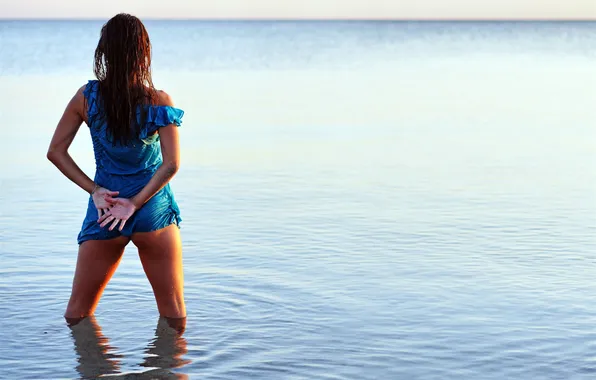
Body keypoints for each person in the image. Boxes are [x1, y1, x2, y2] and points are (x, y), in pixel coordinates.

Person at [46, 13, 186, 327]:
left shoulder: (87, 97)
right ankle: (167, 372)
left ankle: (94, 369)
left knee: (77, 314)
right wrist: (136, 204)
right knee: (173, 314)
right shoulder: (158, 101)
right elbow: (171, 164)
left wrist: (94, 190)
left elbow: (56, 152)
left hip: (106, 208)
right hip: (153, 211)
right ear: (144, 52)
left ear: (104, 52)